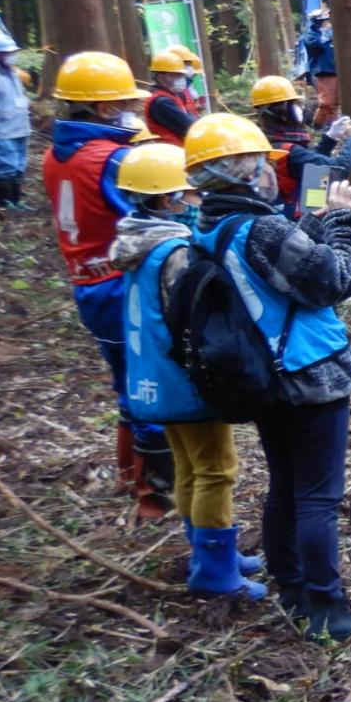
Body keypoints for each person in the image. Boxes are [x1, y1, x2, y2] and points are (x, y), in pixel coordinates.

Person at [183, 112, 351, 640]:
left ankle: (291, 589)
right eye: (262, 162)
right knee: (317, 497)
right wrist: (341, 220)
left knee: (286, 487)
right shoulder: (260, 227)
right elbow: (334, 277)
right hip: (307, 375)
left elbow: (288, 259)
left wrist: (322, 201)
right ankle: (328, 609)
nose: (271, 170)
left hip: (263, 374)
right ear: (244, 170)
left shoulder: (212, 225)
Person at [110, 141, 265, 600]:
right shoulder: (173, 250)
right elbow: (193, 317)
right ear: (165, 199)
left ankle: (209, 552)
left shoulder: (137, 245)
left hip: (153, 377)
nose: (195, 198)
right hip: (184, 379)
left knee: (189, 466)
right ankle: (215, 572)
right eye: (188, 192)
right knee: (216, 469)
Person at [43, 51, 176, 517]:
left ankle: (130, 474)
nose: (132, 112)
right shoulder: (111, 159)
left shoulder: (55, 155)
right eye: (124, 103)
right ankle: (154, 493)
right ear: (102, 109)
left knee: (128, 383)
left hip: (89, 284)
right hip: (123, 285)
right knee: (150, 384)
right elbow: (151, 214)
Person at [248, 75, 351, 220]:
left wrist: (330, 138)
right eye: (294, 104)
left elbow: (312, 166)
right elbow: (340, 167)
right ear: (285, 111)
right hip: (298, 220)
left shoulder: (269, 143)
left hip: (290, 210)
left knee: (318, 176)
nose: (299, 109)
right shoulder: (290, 152)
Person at [0, 23, 29, 211]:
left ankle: (17, 201)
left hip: (20, 126)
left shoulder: (14, 74)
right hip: (3, 130)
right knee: (6, 167)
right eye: (6, 52)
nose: (10, 55)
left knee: (18, 166)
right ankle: (5, 203)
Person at [142, 49, 197, 145]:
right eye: (175, 76)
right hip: (173, 153)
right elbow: (191, 127)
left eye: (182, 75)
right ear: (161, 78)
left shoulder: (171, 95)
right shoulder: (162, 103)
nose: (181, 80)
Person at [295, 7, 338, 127]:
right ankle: (317, 127)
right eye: (325, 20)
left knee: (334, 104)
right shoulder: (310, 35)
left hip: (335, 70)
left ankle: (331, 129)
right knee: (326, 103)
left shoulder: (328, 34)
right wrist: (327, 33)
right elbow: (317, 45)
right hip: (324, 72)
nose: (328, 22)